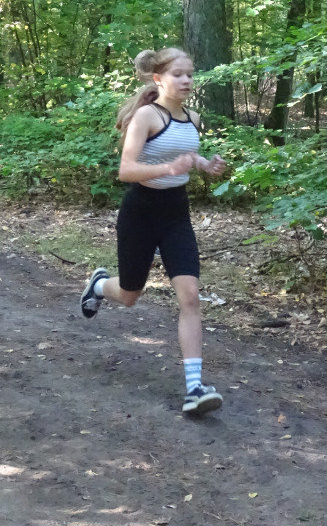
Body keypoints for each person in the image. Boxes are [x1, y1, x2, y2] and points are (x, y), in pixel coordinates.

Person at [80, 47, 227, 416]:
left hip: (176, 213)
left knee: (190, 296)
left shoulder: (193, 118)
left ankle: (195, 387)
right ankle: (99, 285)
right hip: (140, 212)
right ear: (158, 78)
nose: (187, 81)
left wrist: (205, 164)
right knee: (130, 295)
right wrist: (167, 168)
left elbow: (186, 154)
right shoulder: (146, 116)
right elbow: (126, 170)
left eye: (190, 74)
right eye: (178, 74)